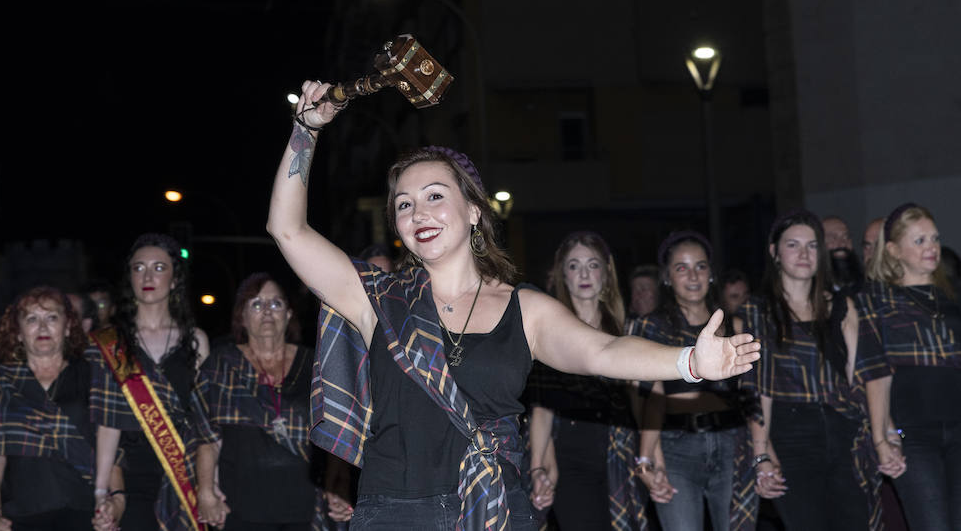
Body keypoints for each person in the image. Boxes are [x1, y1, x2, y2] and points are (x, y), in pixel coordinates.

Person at [274, 82, 759, 531]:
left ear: (474, 212)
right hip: (392, 511)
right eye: (403, 205)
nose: (418, 212)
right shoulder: (375, 298)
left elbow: (604, 351)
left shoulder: (524, 309)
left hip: (497, 506)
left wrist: (689, 362)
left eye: (435, 196)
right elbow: (288, 230)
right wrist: (306, 129)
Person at [737, 211, 878, 530]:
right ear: (774, 252)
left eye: (812, 245)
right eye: (793, 245)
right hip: (790, 436)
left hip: (844, 433)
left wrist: (879, 436)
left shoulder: (842, 306)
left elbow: (863, 378)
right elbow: (757, 388)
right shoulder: (757, 312)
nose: (804, 254)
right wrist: (762, 455)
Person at [860, 203, 961, 531]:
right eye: (919, 240)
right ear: (892, 250)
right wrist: (882, 436)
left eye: (934, 238)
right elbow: (876, 374)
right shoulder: (876, 300)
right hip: (913, 433)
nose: (931, 247)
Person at [633, 231, 757, 531]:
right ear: (667, 277)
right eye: (681, 267)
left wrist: (764, 453)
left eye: (700, 266)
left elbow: (753, 395)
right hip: (677, 448)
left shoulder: (735, 324)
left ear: (711, 274)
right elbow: (650, 399)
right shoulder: (652, 327)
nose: (692, 275)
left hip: (731, 444)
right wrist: (649, 460)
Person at [523, 231, 647, 530]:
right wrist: (538, 466)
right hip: (570, 456)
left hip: (620, 452)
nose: (584, 274)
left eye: (592, 264)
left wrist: (650, 457)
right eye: (574, 265)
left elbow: (645, 400)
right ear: (563, 275)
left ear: (606, 272)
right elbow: (541, 407)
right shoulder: (549, 331)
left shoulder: (627, 329)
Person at [90, 233, 212, 531]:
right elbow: (107, 424)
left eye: (159, 267)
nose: (147, 275)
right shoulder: (110, 342)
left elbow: (206, 422)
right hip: (130, 473)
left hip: (184, 470)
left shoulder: (196, 340)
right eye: (138, 267)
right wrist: (101, 491)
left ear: (174, 280)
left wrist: (212, 484)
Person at [0, 286, 121, 531]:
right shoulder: (0, 381)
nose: (42, 328)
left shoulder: (93, 375)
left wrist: (117, 500)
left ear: (67, 327)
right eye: (31, 319)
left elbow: (110, 444)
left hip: (84, 510)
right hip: (23, 513)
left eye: (51, 318)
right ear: (19, 332)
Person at [194, 274, 321, 531]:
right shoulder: (221, 364)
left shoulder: (316, 364)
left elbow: (335, 434)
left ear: (288, 314)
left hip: (305, 504)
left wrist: (337, 486)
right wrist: (206, 491)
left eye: (275, 304)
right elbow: (205, 435)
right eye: (256, 304)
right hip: (242, 506)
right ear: (242, 316)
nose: (266, 311)